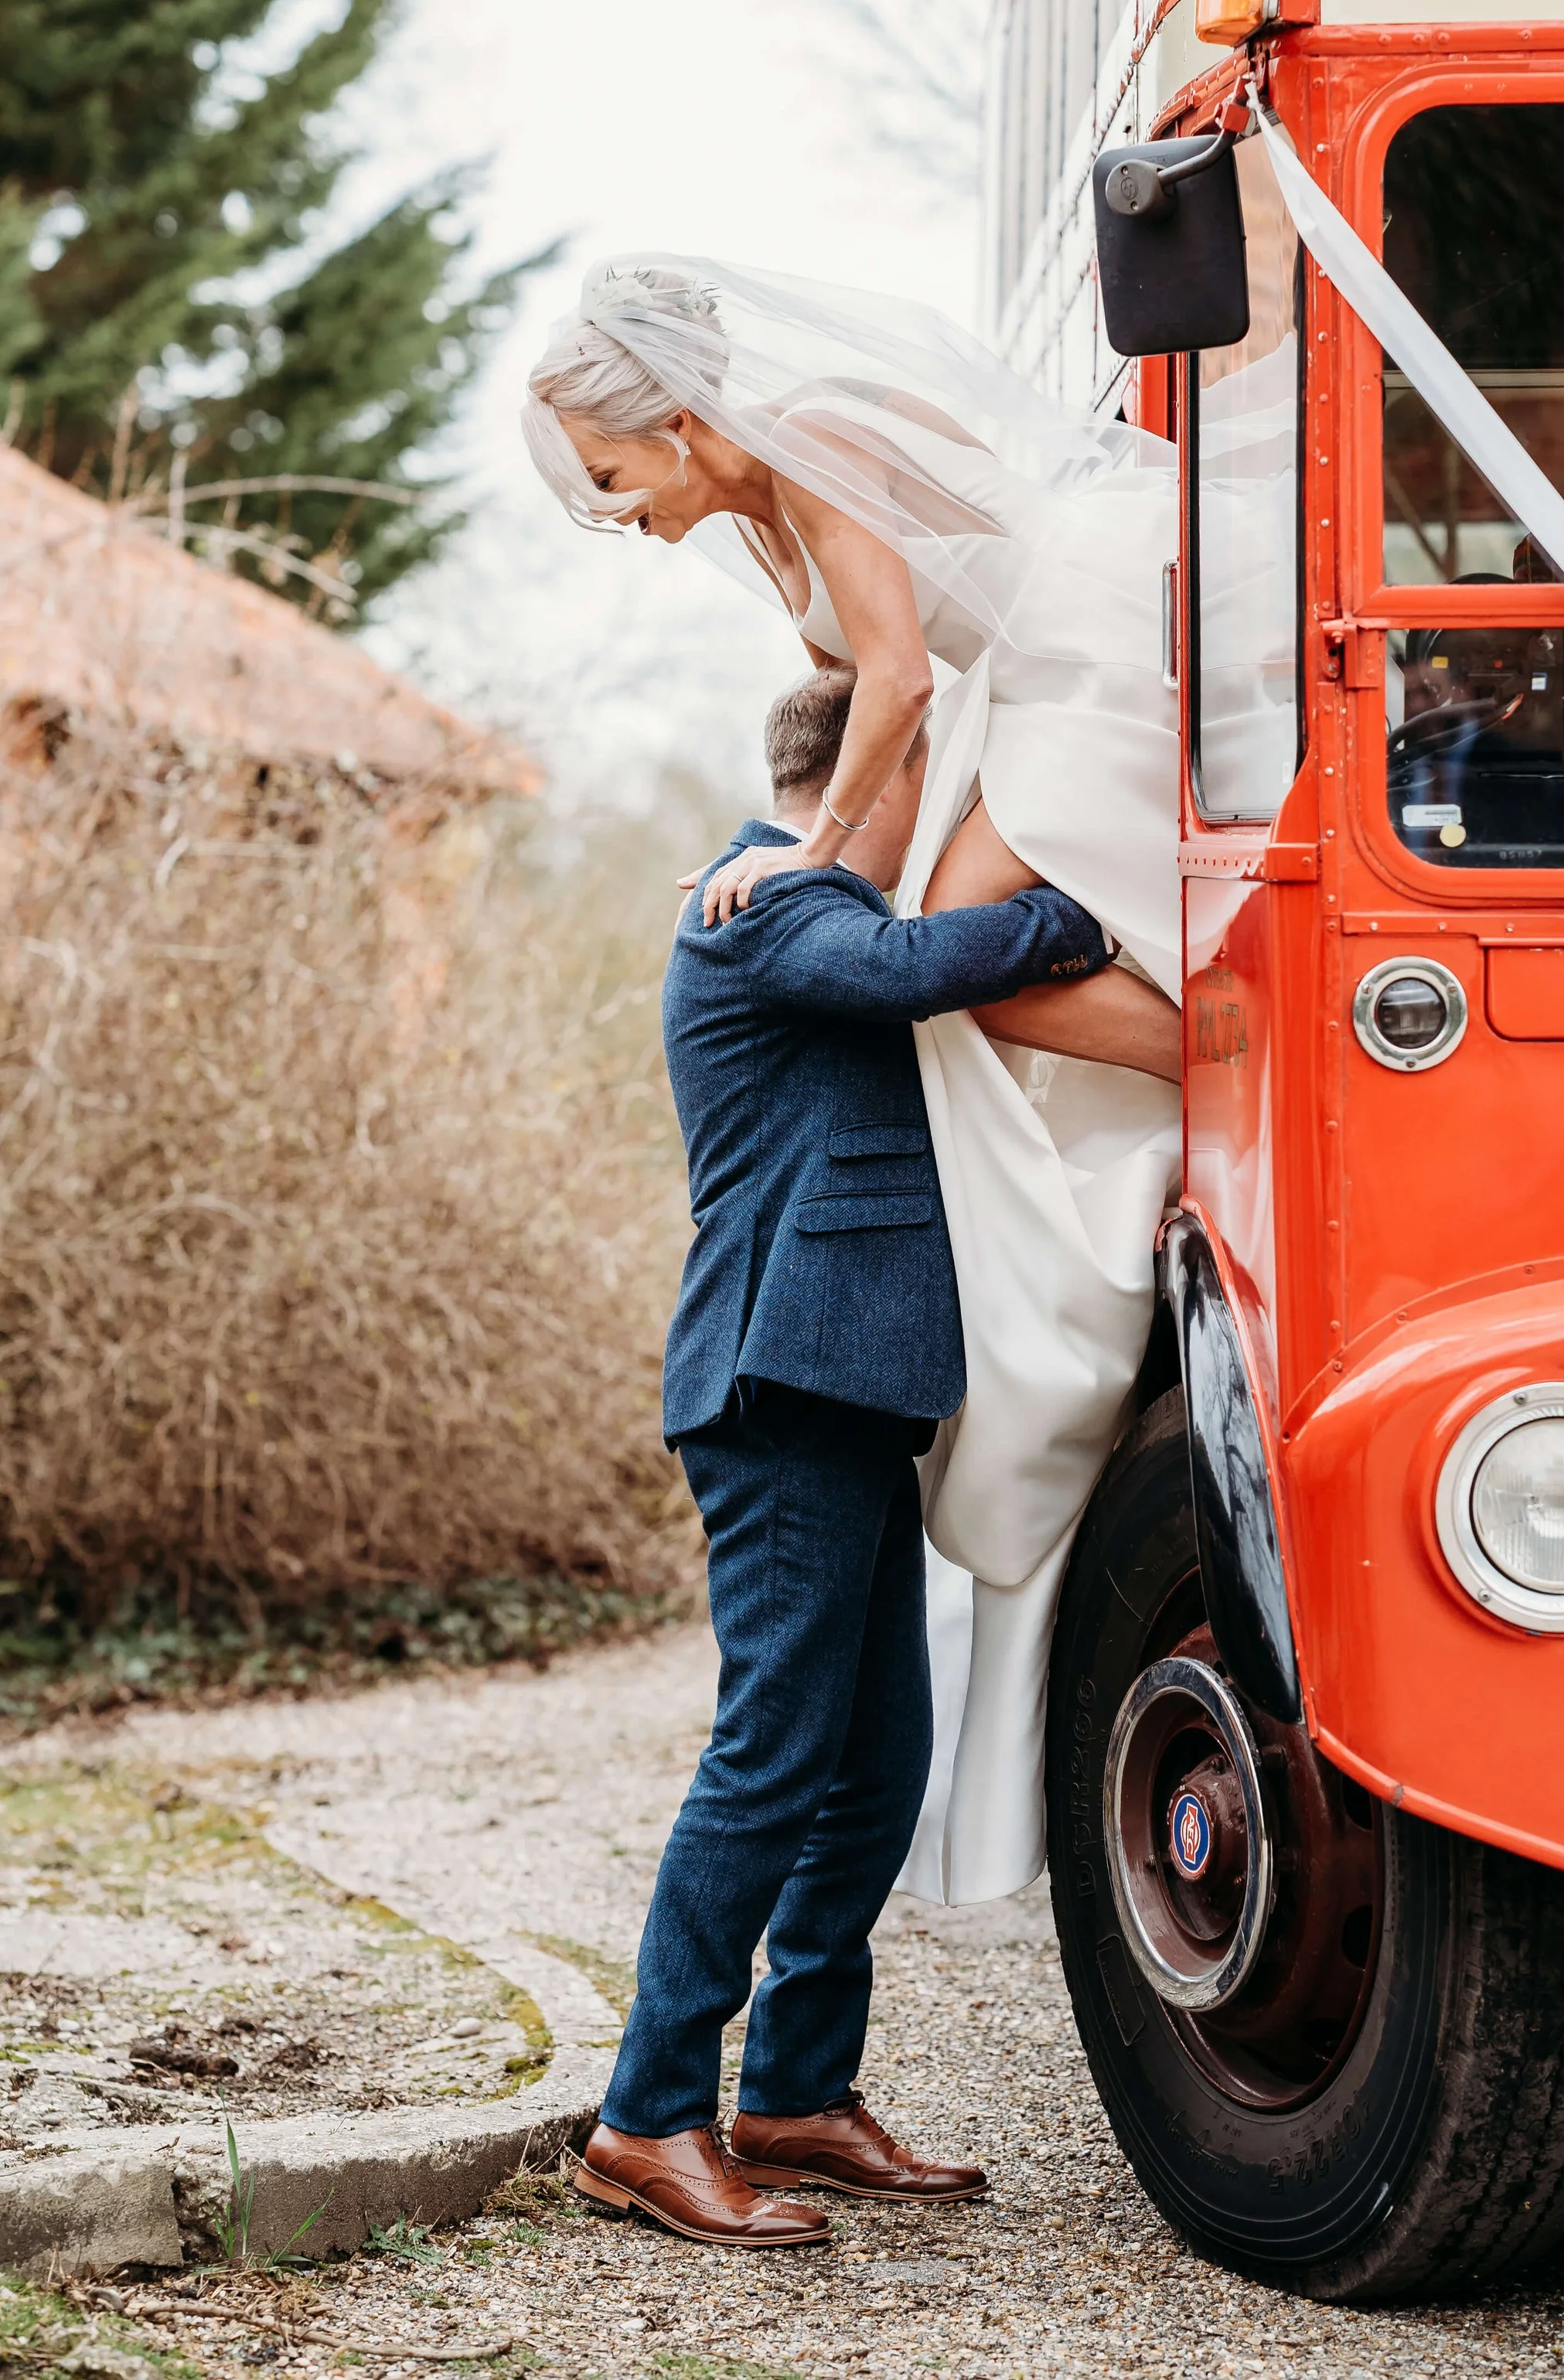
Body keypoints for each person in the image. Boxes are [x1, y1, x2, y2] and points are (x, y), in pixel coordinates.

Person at [523, 257, 1188, 1902]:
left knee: (967, 948)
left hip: (1075, 645)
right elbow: (875, 684)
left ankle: (1235, 1043)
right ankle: (1213, 1046)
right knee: (985, 990)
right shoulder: (748, 511)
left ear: (677, 423)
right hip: (1003, 692)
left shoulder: (812, 432)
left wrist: (811, 860)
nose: (623, 521)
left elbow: (889, 681)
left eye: (615, 484)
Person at [569, 667, 1113, 2249]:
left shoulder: (802, 901)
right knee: (767, 1759)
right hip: (779, 1383)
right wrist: (1096, 892)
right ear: (880, 776)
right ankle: (645, 2117)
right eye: (933, 786)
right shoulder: (763, 900)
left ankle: (795, 2094)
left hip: (851, 1392)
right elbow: (933, 961)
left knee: (869, 1772)